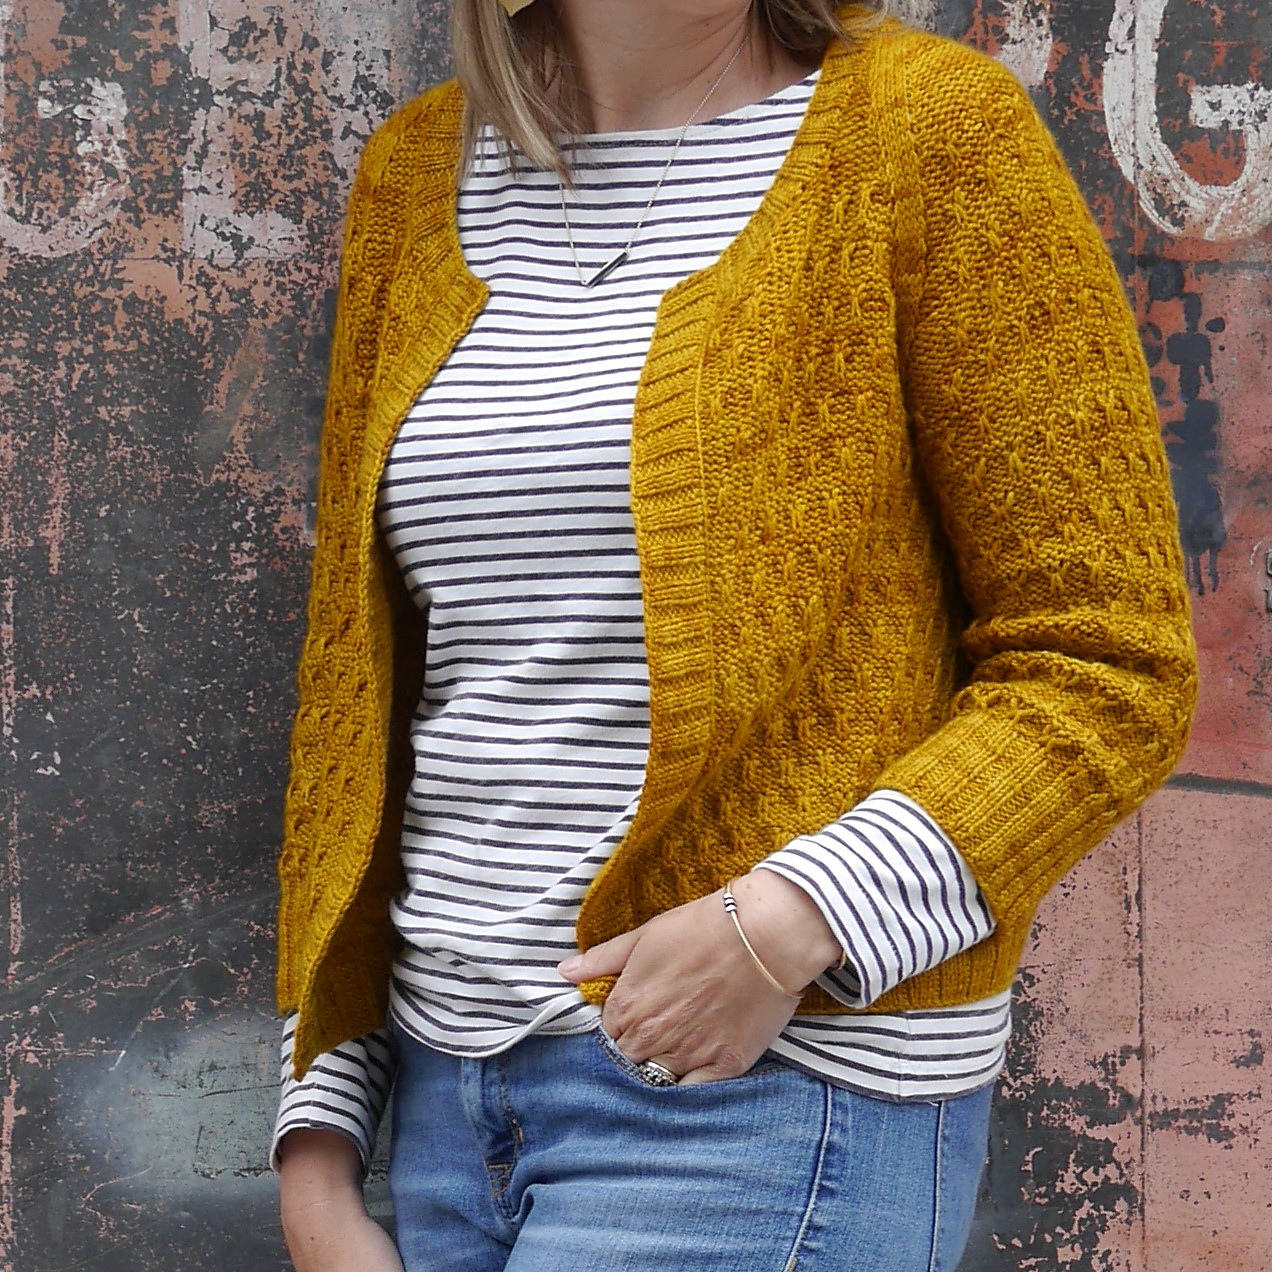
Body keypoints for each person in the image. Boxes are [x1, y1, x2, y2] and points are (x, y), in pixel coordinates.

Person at [271, 1, 1197, 1268]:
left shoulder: (926, 135)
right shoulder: (418, 174)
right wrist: (318, 1151)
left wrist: (793, 919)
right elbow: (361, 697)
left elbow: (1109, 659)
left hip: (766, 1098)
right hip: (446, 1105)